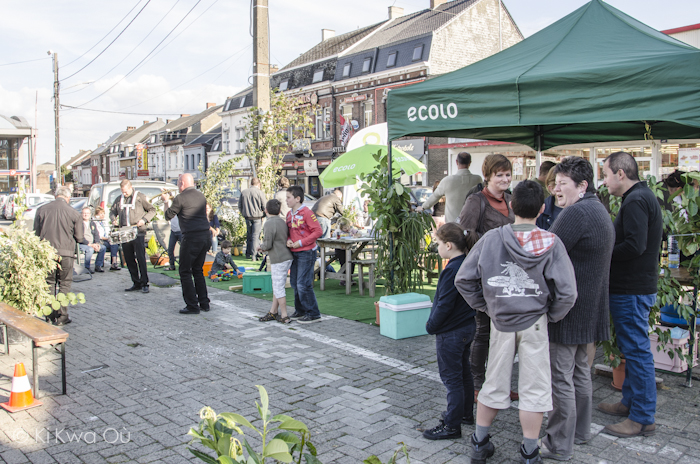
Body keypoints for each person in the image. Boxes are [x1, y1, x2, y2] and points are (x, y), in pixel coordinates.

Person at [455, 180, 577, 464]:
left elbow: (464, 279)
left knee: (492, 384)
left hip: (500, 322)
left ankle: (480, 442)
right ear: (543, 209)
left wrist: (486, 306)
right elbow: (568, 293)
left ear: (511, 206)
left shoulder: (492, 239)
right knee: (535, 389)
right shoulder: (552, 243)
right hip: (535, 323)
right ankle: (529, 451)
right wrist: (551, 314)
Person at [540, 157, 615, 460]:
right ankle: (580, 432)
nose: (557, 189)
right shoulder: (599, 209)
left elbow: (545, 252)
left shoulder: (576, 213)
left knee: (562, 378)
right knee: (580, 372)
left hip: (569, 309)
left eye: (563, 184)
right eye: (555, 183)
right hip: (590, 306)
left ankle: (559, 444)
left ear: (582, 185)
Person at [598, 151, 662, 438]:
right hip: (635, 287)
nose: (604, 180)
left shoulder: (636, 199)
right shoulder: (639, 196)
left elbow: (635, 246)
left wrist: (604, 254)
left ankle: (643, 418)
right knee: (633, 350)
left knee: (637, 352)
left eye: (606, 174)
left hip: (632, 289)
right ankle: (630, 403)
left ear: (620, 174)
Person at [457, 154, 515, 400]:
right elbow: (465, 233)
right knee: (483, 330)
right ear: (488, 176)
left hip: (510, 273)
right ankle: (477, 382)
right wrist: (490, 247)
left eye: (507, 174)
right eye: (499, 175)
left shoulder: (512, 200)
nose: (504, 179)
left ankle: (500, 380)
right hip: (486, 272)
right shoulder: (476, 200)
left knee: (506, 331)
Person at [422, 223, 476, 441]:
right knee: (464, 374)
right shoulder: (467, 263)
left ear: (449, 245)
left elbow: (444, 304)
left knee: (452, 379)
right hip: (466, 327)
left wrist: (430, 325)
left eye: (438, 244)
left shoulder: (451, 269)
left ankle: (452, 425)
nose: (437, 248)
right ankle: (465, 414)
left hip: (451, 332)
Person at [34, 186, 84, 326]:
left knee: (49, 283)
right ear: (68, 198)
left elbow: (36, 234)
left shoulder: (41, 210)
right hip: (66, 254)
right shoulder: (73, 213)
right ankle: (62, 316)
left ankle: (49, 314)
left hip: (47, 253)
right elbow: (79, 238)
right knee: (65, 284)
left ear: (55, 196)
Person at [162, 174, 212, 314]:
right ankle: (204, 303)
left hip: (191, 237)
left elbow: (168, 216)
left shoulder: (180, 198)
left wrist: (166, 202)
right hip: (205, 236)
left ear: (182, 183)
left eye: (178, 183)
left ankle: (192, 305)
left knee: (185, 271)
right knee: (197, 270)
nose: (178, 186)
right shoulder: (201, 196)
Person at [110, 179, 155, 293]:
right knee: (129, 259)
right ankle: (136, 282)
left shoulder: (139, 197)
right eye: (122, 192)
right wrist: (113, 219)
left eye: (126, 192)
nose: (124, 194)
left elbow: (152, 210)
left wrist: (144, 220)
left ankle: (145, 283)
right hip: (125, 232)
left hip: (138, 232)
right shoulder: (119, 199)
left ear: (130, 188)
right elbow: (112, 212)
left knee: (140, 257)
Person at [286, 185, 323, 324]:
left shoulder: (307, 212)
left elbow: (318, 231)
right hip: (294, 253)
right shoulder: (289, 214)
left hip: (307, 252)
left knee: (303, 283)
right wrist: (289, 240)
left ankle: (313, 313)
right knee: (295, 283)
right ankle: (300, 310)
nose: (286, 200)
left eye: (288, 198)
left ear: (297, 199)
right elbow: (288, 233)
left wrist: (301, 242)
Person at [416, 152, 482, 223]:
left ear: (456, 162)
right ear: (470, 163)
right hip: (472, 224)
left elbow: (434, 197)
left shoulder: (447, 181)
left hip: (452, 226)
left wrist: (423, 207)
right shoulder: (477, 179)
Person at [257, 199, 294, 324]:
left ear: (266, 210)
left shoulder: (269, 223)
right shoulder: (282, 221)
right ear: (279, 210)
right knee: (277, 285)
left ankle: (284, 315)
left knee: (278, 287)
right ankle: (273, 311)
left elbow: (267, 244)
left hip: (278, 258)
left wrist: (260, 247)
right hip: (287, 256)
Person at [239, 178, 266, 261]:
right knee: (255, 236)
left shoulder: (244, 192)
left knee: (249, 235)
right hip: (257, 217)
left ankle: (248, 253)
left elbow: (240, 206)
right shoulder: (260, 193)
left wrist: (244, 213)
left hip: (247, 216)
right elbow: (264, 206)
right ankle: (254, 255)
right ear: (259, 184)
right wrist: (263, 215)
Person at [333, 217, 360, 287]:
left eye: (348, 227)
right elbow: (335, 236)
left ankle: (350, 278)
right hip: (340, 250)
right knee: (344, 263)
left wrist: (356, 235)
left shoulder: (351, 230)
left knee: (352, 262)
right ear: (341, 227)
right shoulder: (338, 231)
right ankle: (343, 279)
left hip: (348, 249)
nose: (347, 229)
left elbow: (359, 233)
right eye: (345, 228)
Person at [79, 207, 106, 273]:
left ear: (90, 214)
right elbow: (79, 237)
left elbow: (96, 234)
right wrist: (89, 244)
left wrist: (97, 243)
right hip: (82, 244)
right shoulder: (79, 224)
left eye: (87, 213)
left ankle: (98, 266)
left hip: (92, 243)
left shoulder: (92, 223)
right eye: (84, 213)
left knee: (102, 248)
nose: (86, 215)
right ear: (81, 214)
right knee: (90, 249)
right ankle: (87, 267)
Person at [94, 206, 121, 271]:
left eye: (103, 213)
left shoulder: (104, 222)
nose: (102, 215)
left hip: (107, 240)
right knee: (103, 247)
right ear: (96, 215)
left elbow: (108, 232)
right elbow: (98, 235)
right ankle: (98, 265)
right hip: (99, 240)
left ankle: (113, 263)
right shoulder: (94, 222)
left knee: (114, 244)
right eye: (100, 214)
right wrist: (108, 238)